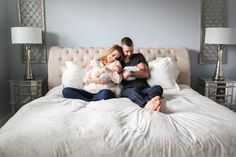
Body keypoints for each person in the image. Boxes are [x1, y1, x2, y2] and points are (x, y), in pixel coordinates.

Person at [120, 37, 163, 111]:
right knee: (133, 92)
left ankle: (152, 102)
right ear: (121, 49)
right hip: (129, 88)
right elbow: (119, 77)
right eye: (127, 51)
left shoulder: (139, 56)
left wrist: (131, 73)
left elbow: (146, 74)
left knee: (157, 88)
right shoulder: (119, 61)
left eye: (131, 50)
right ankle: (146, 105)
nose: (130, 54)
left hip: (144, 88)